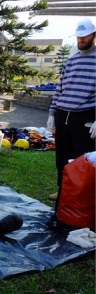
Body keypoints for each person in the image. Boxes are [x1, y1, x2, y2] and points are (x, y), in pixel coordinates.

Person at [46, 18, 96, 202]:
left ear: (93, 35)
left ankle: (79, 196)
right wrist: (52, 114)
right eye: (79, 37)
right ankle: (63, 190)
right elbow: (59, 89)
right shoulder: (71, 61)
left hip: (84, 115)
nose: (81, 40)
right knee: (62, 156)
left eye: (84, 37)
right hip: (62, 113)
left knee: (81, 158)